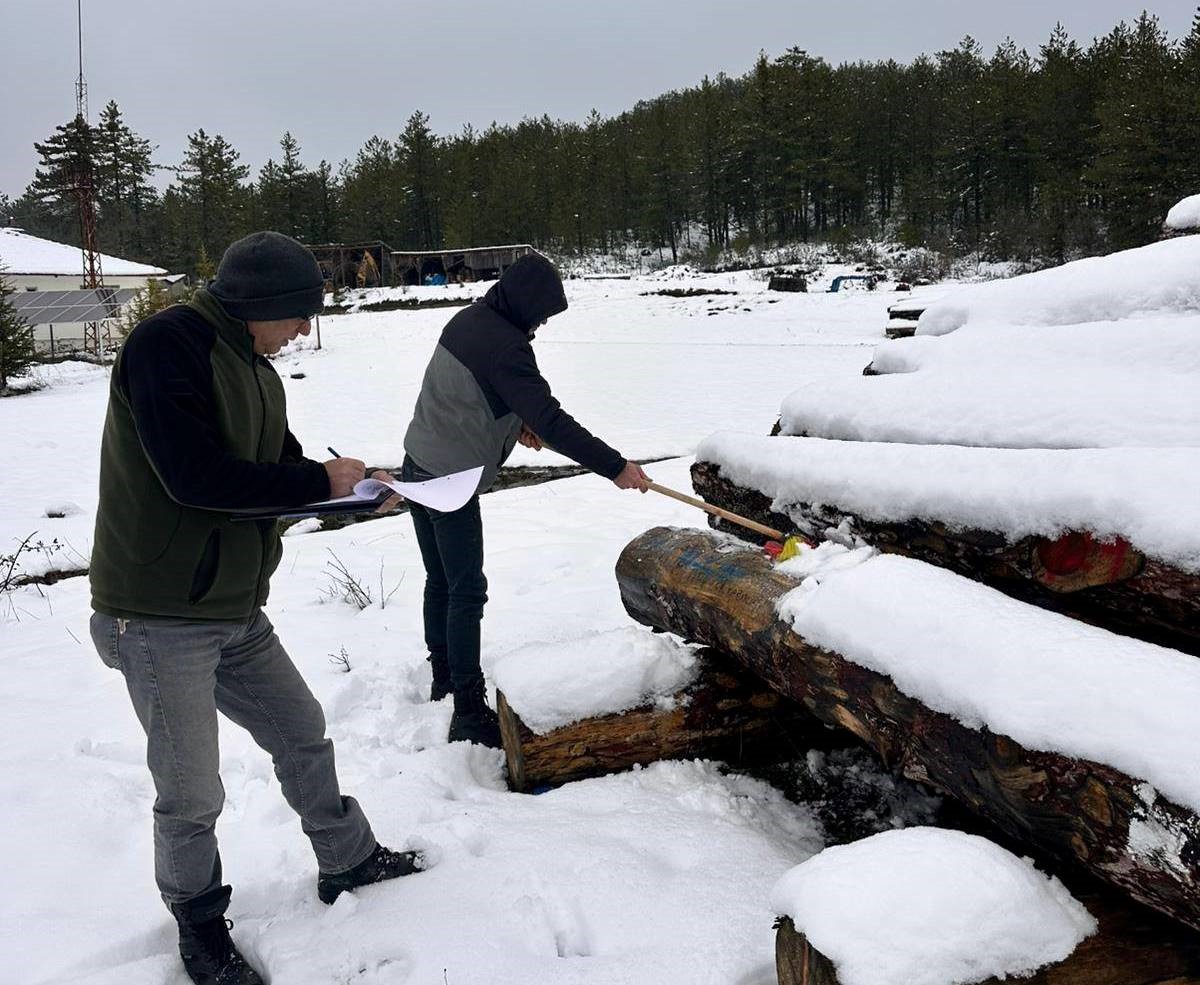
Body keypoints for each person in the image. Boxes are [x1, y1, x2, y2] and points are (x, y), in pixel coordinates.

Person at [89, 232, 422, 985]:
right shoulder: (166, 346)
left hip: (232, 606)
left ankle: (348, 858)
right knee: (192, 786)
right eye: (298, 314)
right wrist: (317, 481)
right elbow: (196, 478)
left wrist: (359, 489)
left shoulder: (255, 367)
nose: (305, 329)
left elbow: (283, 474)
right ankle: (199, 924)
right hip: (157, 612)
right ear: (258, 304)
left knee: (300, 729)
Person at [403, 253, 650, 747]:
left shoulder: (469, 320)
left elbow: (468, 395)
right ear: (525, 303)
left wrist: (514, 421)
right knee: (466, 590)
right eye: (540, 314)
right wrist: (615, 466)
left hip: (417, 465)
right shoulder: (507, 347)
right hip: (449, 483)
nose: (539, 324)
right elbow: (554, 420)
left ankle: (444, 678)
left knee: (442, 581)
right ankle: (468, 711)